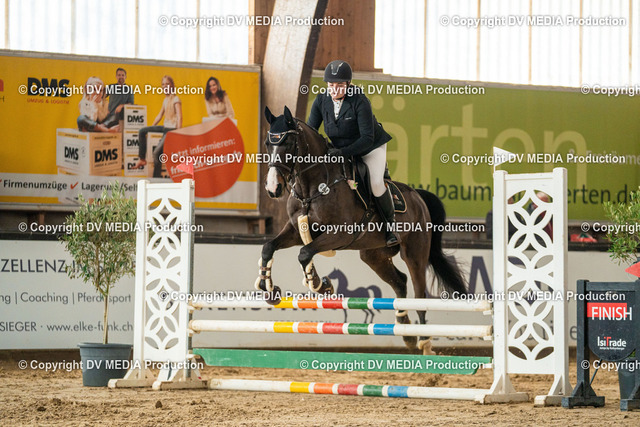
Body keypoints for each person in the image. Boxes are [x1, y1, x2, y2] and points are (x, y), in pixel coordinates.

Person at [307, 60, 398, 246]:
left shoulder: (360, 101)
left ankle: (391, 227)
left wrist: (341, 153)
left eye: (340, 85)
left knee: (376, 183)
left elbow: (367, 138)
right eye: (331, 85)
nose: (335, 89)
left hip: (370, 148)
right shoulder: (321, 100)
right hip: (340, 150)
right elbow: (311, 131)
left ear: (348, 84)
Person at [134, 75, 182, 177]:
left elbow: (179, 116)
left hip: (172, 130)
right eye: (163, 84)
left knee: (156, 153)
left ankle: (156, 177)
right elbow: (159, 115)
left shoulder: (176, 99)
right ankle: (142, 159)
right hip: (165, 127)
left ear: (172, 85)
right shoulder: (165, 100)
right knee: (142, 131)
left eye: (167, 84)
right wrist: (151, 129)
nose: (165, 86)